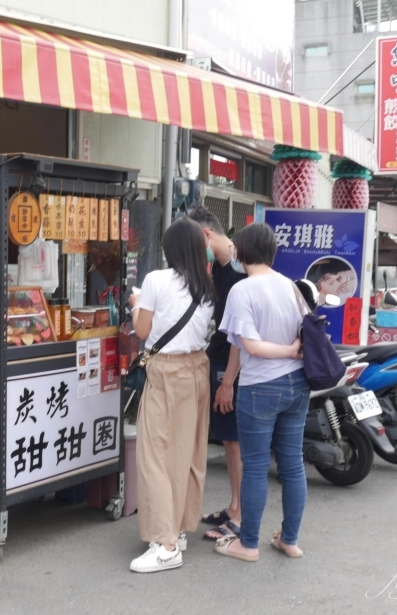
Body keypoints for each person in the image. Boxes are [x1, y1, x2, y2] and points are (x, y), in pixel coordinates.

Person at [215, 222, 308, 562]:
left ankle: (248, 544)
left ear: (239, 252)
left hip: (260, 389)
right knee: (293, 465)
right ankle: (290, 540)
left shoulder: (243, 289)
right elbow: (240, 345)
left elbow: (249, 345)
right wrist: (293, 352)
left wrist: (285, 351)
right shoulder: (291, 287)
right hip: (297, 385)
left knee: (254, 467)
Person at [127, 218, 215, 573]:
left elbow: (142, 329)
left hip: (166, 371)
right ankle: (177, 529)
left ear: (168, 249)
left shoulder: (155, 280)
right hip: (198, 369)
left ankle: (165, 545)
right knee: (185, 454)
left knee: (154, 456)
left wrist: (136, 302)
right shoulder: (207, 286)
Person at [188, 206, 246, 542]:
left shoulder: (238, 270)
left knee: (235, 442)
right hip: (222, 362)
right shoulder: (223, 267)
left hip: (233, 368)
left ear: (206, 235)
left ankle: (238, 515)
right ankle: (233, 506)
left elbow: (239, 334)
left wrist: (227, 383)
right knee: (229, 440)